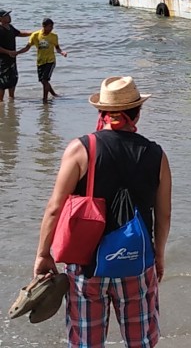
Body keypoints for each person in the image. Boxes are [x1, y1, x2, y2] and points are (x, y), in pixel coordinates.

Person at [33, 76, 172, 348]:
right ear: (138, 112)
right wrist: (159, 255)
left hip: (87, 266)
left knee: (87, 342)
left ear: (102, 113)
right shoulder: (156, 154)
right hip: (136, 263)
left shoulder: (81, 149)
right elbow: (163, 214)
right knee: (141, 341)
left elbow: (54, 209)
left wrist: (42, 253)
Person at [17, 17, 67, 102]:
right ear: (44, 26)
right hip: (40, 61)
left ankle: (45, 100)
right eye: (50, 26)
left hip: (50, 61)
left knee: (45, 80)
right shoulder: (35, 35)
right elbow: (27, 47)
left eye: (52, 26)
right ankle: (54, 94)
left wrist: (62, 52)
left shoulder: (54, 36)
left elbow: (58, 48)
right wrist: (17, 52)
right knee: (43, 81)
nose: (52, 28)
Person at [0, 9, 31, 101]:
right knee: (2, 82)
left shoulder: (10, 27)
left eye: (9, 15)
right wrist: (8, 52)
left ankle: (11, 99)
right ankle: (1, 102)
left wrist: (34, 33)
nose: (9, 17)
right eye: (6, 15)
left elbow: (20, 33)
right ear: (1, 18)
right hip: (2, 61)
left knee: (13, 80)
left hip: (12, 60)